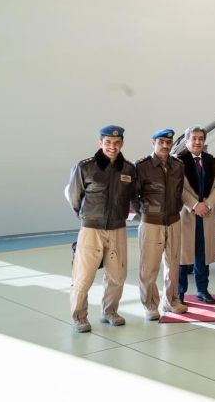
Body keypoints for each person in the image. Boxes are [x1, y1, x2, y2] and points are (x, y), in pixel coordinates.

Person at [65, 125, 137, 333]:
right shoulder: (85, 167)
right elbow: (74, 197)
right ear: (100, 143)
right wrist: (86, 217)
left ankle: (110, 312)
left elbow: (132, 197)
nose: (112, 147)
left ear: (121, 143)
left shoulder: (129, 169)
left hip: (117, 228)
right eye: (108, 143)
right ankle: (79, 316)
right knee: (84, 276)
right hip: (91, 229)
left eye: (116, 143)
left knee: (117, 275)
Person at [134, 128, 187, 320]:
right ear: (153, 143)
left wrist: (175, 209)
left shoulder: (178, 165)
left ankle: (171, 301)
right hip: (151, 223)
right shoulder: (142, 166)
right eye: (161, 142)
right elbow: (134, 195)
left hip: (173, 220)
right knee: (149, 267)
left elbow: (179, 191)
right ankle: (150, 305)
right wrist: (146, 213)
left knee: (173, 265)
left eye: (168, 142)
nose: (165, 146)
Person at [176, 125, 215, 304]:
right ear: (187, 140)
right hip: (187, 215)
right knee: (183, 257)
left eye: (200, 139)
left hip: (206, 215)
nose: (197, 142)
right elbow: (177, 186)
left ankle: (202, 290)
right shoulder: (178, 161)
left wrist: (208, 205)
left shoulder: (212, 161)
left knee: (203, 256)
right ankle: (179, 294)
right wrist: (195, 205)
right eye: (194, 138)